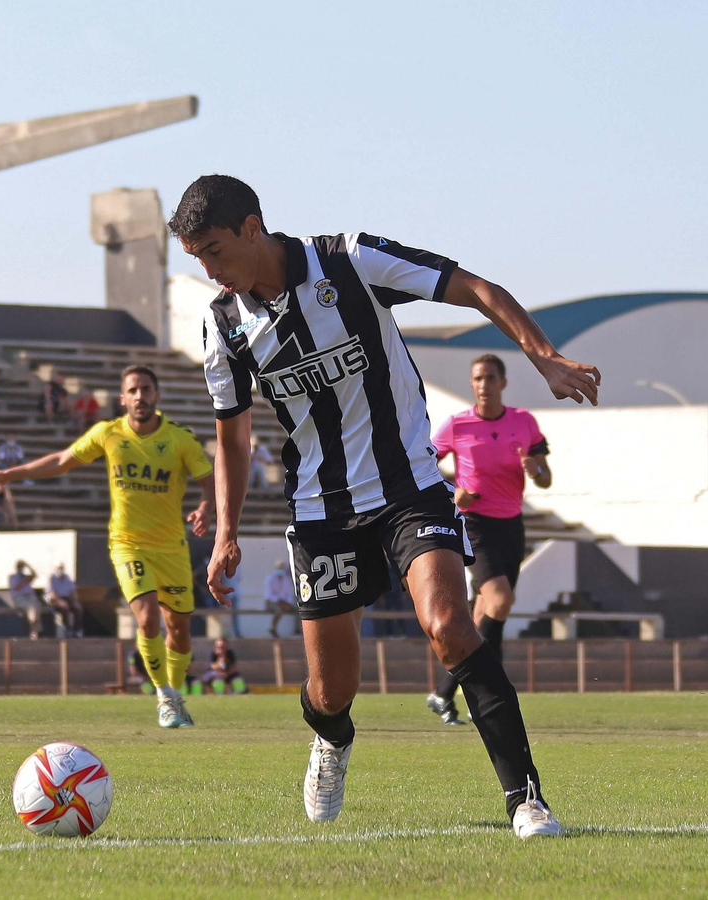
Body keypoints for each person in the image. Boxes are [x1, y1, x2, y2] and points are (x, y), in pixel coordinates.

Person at [177, 174, 596, 836]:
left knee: (451, 627)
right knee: (329, 693)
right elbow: (233, 434)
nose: (210, 269)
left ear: (252, 228)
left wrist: (544, 359)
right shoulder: (223, 323)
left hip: (409, 489)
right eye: (196, 257)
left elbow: (478, 289)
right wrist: (226, 531)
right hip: (320, 513)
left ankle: (526, 798)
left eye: (216, 250)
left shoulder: (349, 261)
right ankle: (332, 740)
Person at [0, 365, 214, 729]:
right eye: (132, 390)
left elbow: (209, 480)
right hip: (127, 544)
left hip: (172, 548)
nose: (139, 396)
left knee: (178, 629)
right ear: (122, 399)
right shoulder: (108, 433)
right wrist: (7, 475)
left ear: (157, 395)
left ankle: (176, 695)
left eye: (146, 389)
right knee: (147, 620)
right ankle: (164, 697)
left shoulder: (180, 440)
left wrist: (206, 508)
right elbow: (60, 461)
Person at [426, 354, 552, 727]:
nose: (485, 384)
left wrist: (537, 468)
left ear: (503, 383)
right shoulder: (457, 426)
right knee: (500, 600)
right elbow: (423, 464)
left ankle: (444, 693)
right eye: (478, 378)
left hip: (511, 526)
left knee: (483, 615)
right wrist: (453, 493)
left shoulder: (524, 422)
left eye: (491, 378)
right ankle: (491, 694)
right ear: (472, 384)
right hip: (474, 524)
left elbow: (545, 478)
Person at [7, 560, 44, 639]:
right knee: (31, 607)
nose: (21, 569)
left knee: (37, 604)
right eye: (20, 567)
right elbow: (18, 587)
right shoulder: (13, 577)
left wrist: (28, 565)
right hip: (20, 599)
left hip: (30, 597)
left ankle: (34, 630)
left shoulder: (26, 576)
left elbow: (35, 574)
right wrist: (25, 580)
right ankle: (34, 629)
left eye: (22, 567)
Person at [47, 564, 83, 638]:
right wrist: (59, 601)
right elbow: (52, 592)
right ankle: (67, 628)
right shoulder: (52, 579)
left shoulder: (67, 578)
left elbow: (73, 591)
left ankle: (77, 630)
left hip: (67, 598)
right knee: (64, 607)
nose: (60, 570)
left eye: (61, 568)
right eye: (58, 568)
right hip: (56, 600)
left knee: (78, 608)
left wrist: (75, 601)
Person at [263, 559, 294, 638]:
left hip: (283, 602)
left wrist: (288, 604)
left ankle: (297, 630)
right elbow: (269, 595)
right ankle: (273, 628)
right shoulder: (270, 578)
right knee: (279, 610)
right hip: (270, 602)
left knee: (298, 610)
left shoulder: (286, 579)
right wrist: (283, 604)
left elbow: (288, 594)